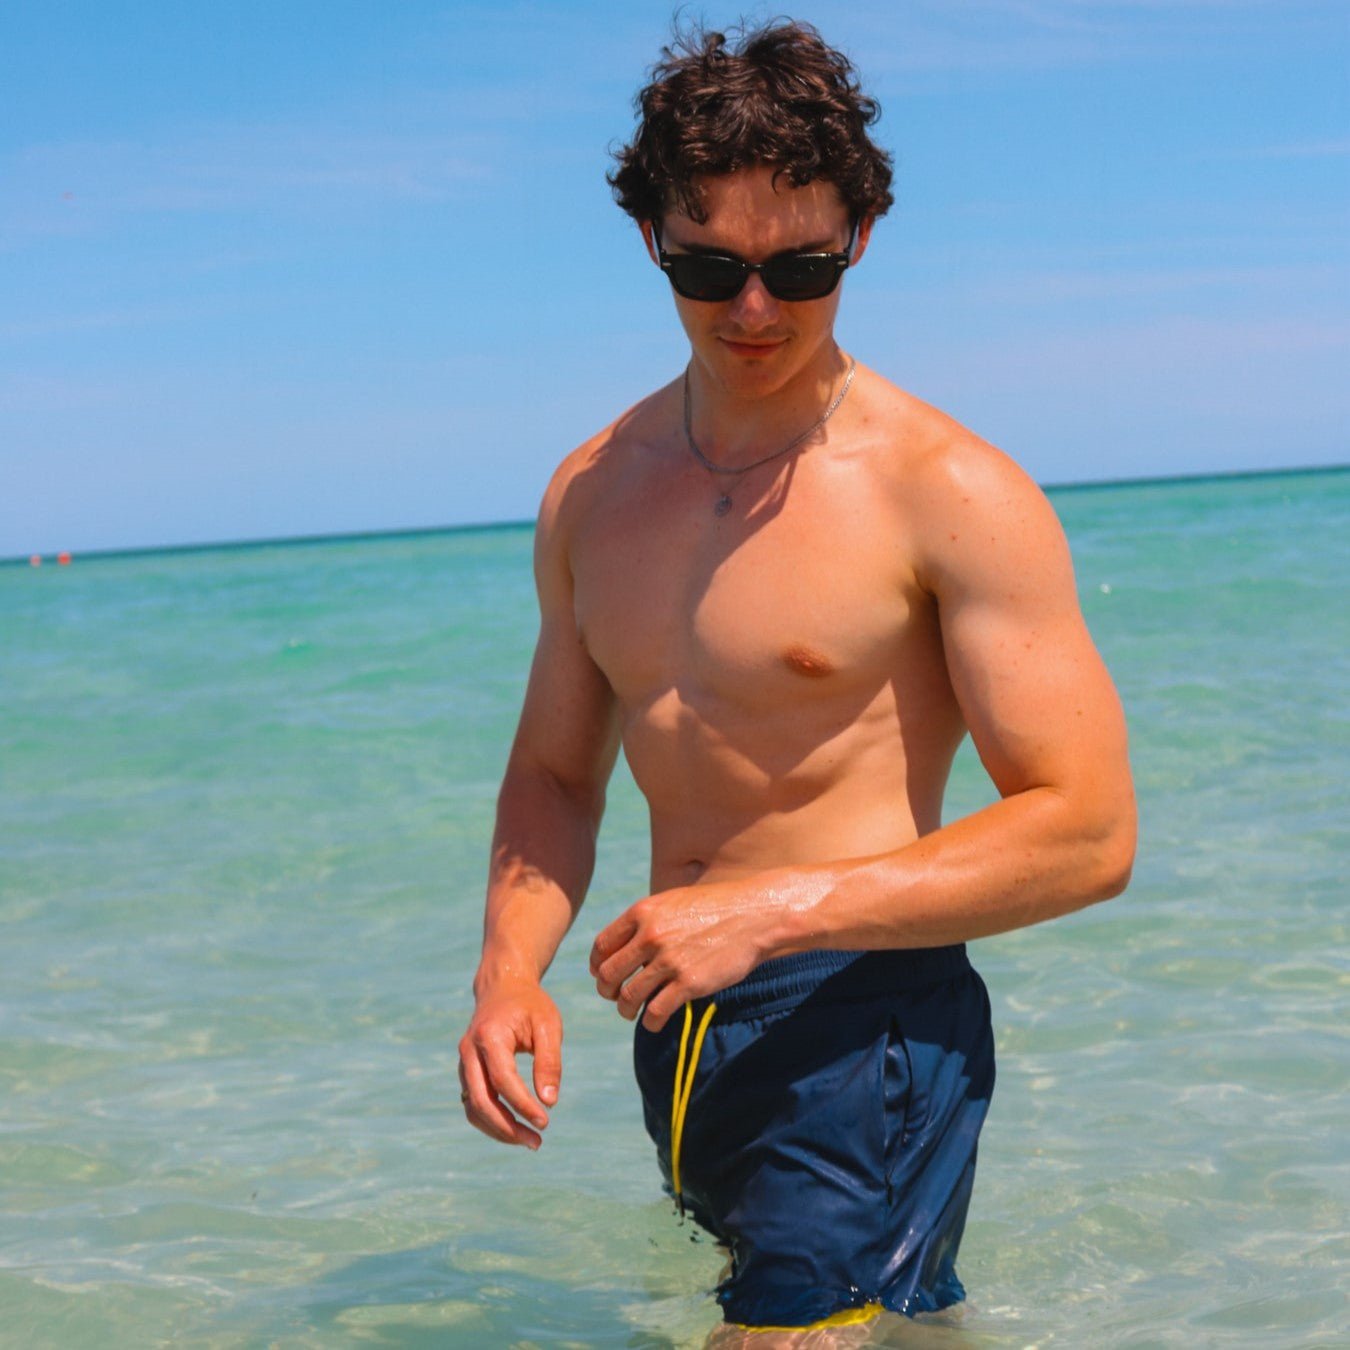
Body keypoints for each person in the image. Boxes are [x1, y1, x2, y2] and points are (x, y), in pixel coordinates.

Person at [458, 17, 1135, 1339]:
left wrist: (774, 913)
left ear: (862, 237)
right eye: (710, 267)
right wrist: (506, 973)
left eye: (801, 267)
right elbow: (554, 773)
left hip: (862, 1017)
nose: (755, 309)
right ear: (650, 240)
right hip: (678, 1026)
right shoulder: (591, 492)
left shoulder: (948, 491)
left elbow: (1089, 831)